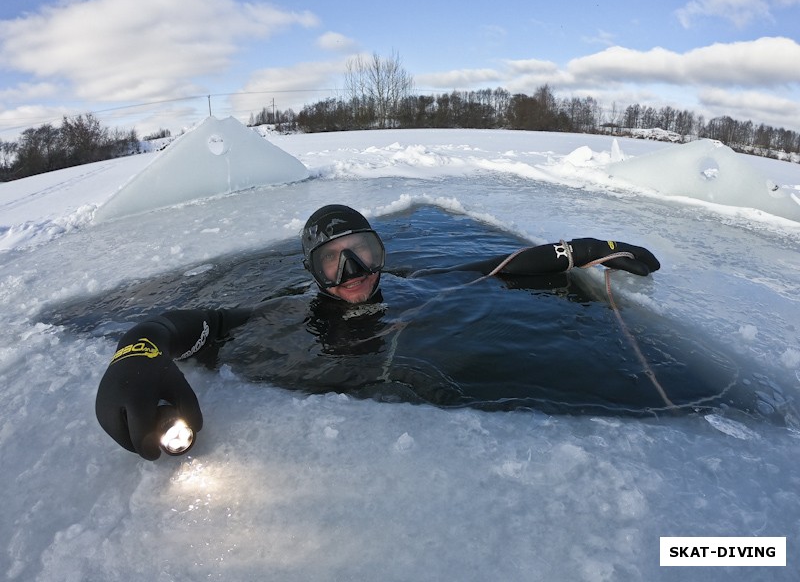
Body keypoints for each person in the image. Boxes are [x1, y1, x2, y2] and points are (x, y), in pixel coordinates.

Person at [95, 204, 660, 459]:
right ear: (312, 273)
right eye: (333, 263)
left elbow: (507, 264)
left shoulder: (418, 285)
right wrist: (138, 349)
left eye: (363, 254)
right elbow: (196, 323)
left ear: (380, 253)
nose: (353, 275)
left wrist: (597, 249)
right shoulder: (289, 314)